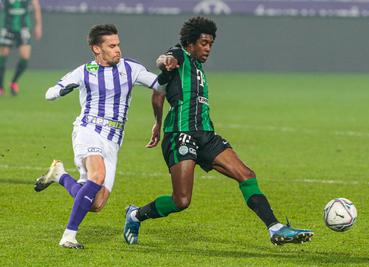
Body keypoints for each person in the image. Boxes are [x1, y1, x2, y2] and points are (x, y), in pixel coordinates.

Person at [123, 16, 313, 246]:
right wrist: (165, 63)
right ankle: (135, 215)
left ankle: (275, 228)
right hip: (180, 135)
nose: (208, 48)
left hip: (206, 135)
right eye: (204, 43)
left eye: (211, 44)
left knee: (246, 175)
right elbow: (163, 60)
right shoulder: (180, 55)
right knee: (181, 200)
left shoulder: (198, 67)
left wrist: (156, 122)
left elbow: (158, 93)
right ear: (190, 43)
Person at [34, 24, 166, 249]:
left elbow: (160, 85)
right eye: (111, 46)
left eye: (118, 45)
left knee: (96, 204)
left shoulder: (130, 68)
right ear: (97, 49)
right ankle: (68, 236)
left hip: (113, 140)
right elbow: (49, 94)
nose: (118, 50)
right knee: (97, 175)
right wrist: (61, 91)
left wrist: (169, 67)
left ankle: (60, 175)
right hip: (88, 130)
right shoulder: (83, 71)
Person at [0, 0, 42, 96]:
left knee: (25, 57)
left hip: (23, 28)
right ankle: (1, 86)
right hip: (7, 27)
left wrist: (38, 25)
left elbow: (36, 5)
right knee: (3, 56)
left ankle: (14, 82)